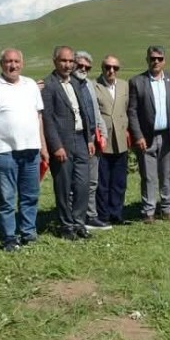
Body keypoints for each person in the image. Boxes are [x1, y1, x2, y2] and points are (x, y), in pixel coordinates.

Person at [0, 48, 47, 252]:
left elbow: (38, 117)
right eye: (8, 61)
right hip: (4, 151)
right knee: (6, 198)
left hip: (31, 149)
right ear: (1, 64)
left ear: (22, 64)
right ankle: (9, 237)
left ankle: (28, 233)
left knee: (30, 195)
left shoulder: (30, 85)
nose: (12, 65)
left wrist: (43, 146)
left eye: (16, 61)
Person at [42, 46, 96, 241]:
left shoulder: (75, 82)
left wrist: (89, 139)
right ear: (55, 61)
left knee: (83, 183)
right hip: (62, 142)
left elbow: (84, 112)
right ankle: (66, 225)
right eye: (63, 61)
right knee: (64, 185)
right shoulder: (48, 85)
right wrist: (56, 145)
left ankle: (79, 223)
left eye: (70, 61)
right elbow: (47, 119)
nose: (67, 65)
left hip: (81, 139)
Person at [128, 45, 170, 223]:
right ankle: (148, 211)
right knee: (149, 176)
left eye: (159, 58)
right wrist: (138, 136)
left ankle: (167, 209)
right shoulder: (137, 81)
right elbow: (132, 111)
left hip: (167, 136)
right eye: (152, 58)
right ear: (147, 60)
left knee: (168, 174)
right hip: (146, 137)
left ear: (164, 61)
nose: (156, 61)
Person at [73, 50, 111, 231]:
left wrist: (102, 133)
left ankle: (91, 215)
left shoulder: (88, 84)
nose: (83, 69)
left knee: (93, 180)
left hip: (93, 137)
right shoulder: (68, 84)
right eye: (80, 65)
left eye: (87, 67)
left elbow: (96, 111)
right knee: (76, 181)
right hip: (77, 138)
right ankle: (74, 217)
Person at [93, 55, 130, 225]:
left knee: (119, 180)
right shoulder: (94, 86)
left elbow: (126, 108)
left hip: (120, 138)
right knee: (103, 180)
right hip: (103, 139)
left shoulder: (124, 85)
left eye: (115, 68)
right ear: (102, 68)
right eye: (108, 67)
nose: (111, 71)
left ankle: (117, 213)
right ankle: (103, 214)